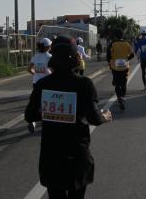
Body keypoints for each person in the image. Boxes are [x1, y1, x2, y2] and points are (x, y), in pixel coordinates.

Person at [25, 36, 112, 199]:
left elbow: (29, 115)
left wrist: (50, 112)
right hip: (76, 153)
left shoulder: (42, 85)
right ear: (75, 57)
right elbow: (94, 118)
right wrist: (105, 116)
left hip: (51, 154)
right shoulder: (84, 84)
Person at [27, 37, 53, 133]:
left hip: (36, 82)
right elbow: (52, 70)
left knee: (35, 102)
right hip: (47, 83)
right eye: (50, 45)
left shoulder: (36, 56)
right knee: (46, 103)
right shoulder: (49, 57)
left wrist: (36, 74)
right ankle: (45, 122)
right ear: (47, 47)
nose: (51, 46)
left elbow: (29, 69)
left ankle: (32, 121)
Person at [107, 29, 134, 110]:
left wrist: (111, 61)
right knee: (124, 83)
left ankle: (119, 97)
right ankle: (122, 96)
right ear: (123, 36)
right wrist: (126, 59)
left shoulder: (112, 44)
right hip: (125, 67)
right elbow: (132, 55)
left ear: (115, 36)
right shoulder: (126, 44)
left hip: (115, 67)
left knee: (117, 83)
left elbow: (108, 56)